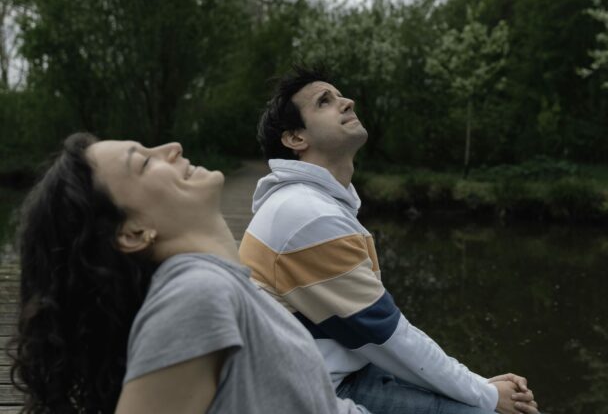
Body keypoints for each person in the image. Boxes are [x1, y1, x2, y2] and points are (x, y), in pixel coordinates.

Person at [238, 67, 540, 414]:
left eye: (340, 95)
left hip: (340, 369)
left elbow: (381, 334)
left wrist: (479, 384)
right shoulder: (307, 214)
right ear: (295, 138)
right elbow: (387, 335)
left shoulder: (311, 203)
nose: (347, 102)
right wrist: (487, 395)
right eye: (325, 101)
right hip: (313, 392)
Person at [10, 132, 370, 414]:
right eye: (144, 162)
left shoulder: (225, 288)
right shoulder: (195, 296)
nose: (173, 148)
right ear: (133, 232)